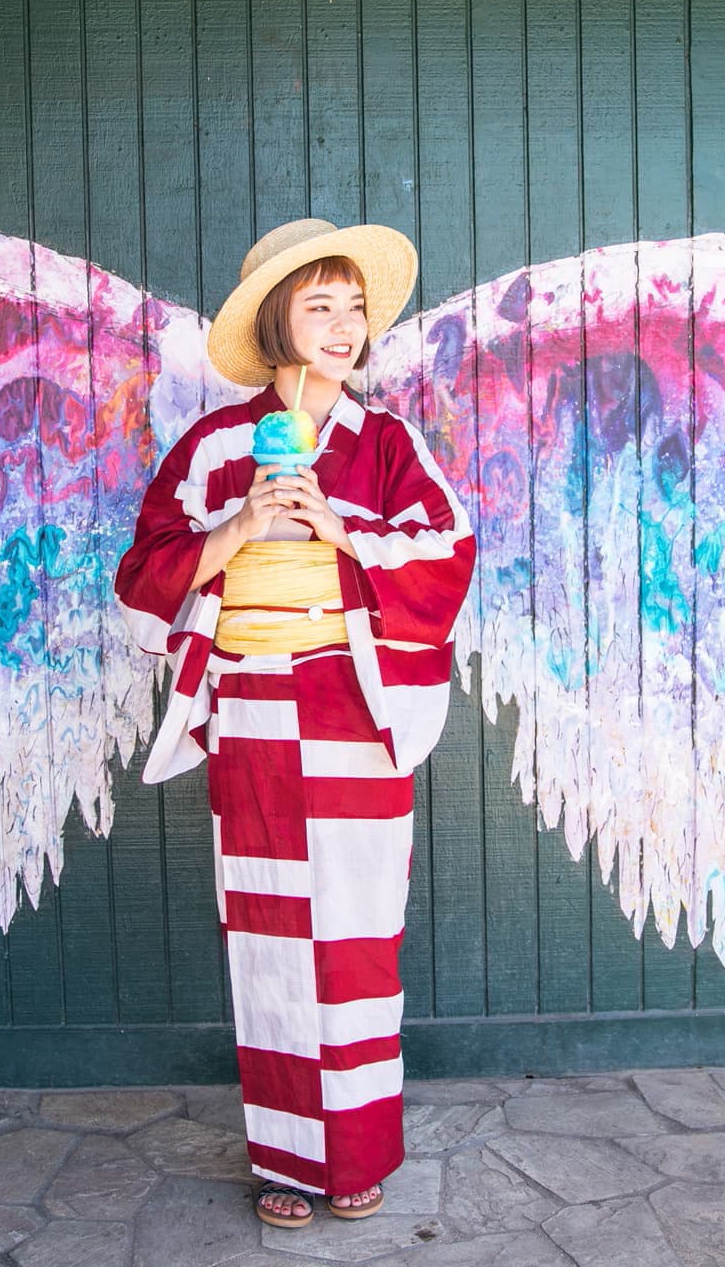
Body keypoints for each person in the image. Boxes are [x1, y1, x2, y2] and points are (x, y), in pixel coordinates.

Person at [113, 218, 477, 1230]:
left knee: (358, 938)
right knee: (272, 941)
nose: (345, 326)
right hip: (258, 713)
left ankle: (353, 1149)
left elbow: (448, 550)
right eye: (320, 305)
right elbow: (142, 582)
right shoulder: (215, 446)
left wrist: (342, 526)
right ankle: (285, 1156)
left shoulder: (387, 444)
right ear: (275, 320)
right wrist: (231, 531)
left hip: (354, 708)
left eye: (354, 306)